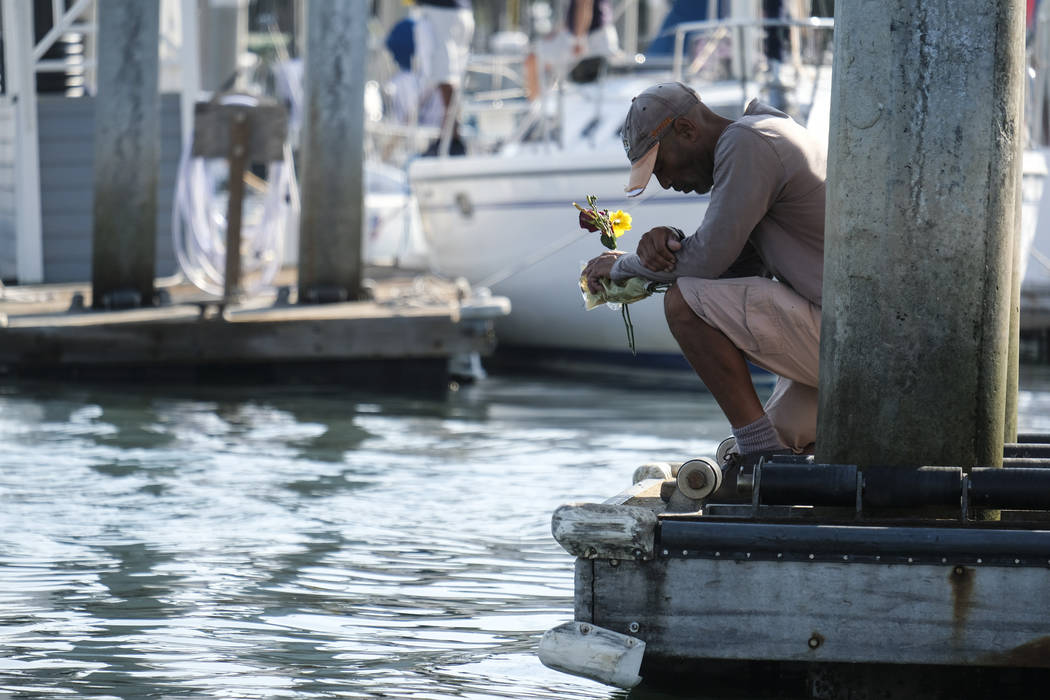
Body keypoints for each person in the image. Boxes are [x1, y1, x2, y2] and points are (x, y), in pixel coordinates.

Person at [582, 82, 825, 457]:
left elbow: (708, 261)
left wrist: (623, 267)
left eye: (660, 166)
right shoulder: (767, 131)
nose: (665, 183)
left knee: (685, 304)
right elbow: (731, 267)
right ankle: (764, 456)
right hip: (853, 334)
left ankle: (759, 458)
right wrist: (671, 243)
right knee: (782, 436)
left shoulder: (746, 141)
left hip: (851, 341)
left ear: (686, 130)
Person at [413, 0, 475, 156]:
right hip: (458, 12)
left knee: (446, 78)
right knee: (450, 77)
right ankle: (449, 136)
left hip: (443, 12)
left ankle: (452, 140)